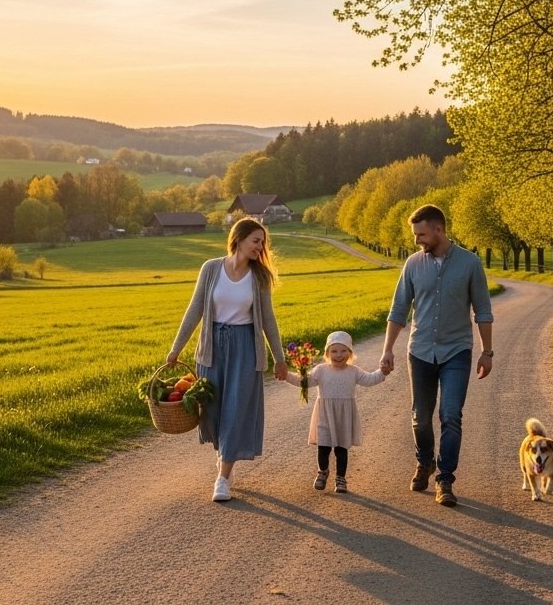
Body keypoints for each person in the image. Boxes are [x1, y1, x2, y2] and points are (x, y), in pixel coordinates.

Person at [379, 204, 493, 508]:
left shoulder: (470, 263)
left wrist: (487, 352)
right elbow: (399, 309)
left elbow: (483, 310)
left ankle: (445, 478)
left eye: (421, 234)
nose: (417, 240)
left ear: (439, 229)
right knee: (420, 418)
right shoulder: (413, 265)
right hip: (420, 352)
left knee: (451, 415)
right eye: (415, 234)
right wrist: (388, 349)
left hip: (457, 351)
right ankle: (425, 461)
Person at [167, 218, 288, 502]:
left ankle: (222, 477)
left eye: (262, 242)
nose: (261, 247)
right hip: (212, 347)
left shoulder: (259, 277)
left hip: (245, 348)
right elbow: (194, 310)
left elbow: (268, 320)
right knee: (214, 409)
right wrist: (176, 349)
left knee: (236, 408)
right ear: (239, 239)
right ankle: (225, 455)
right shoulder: (211, 269)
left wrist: (279, 358)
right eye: (256, 240)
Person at [284, 330, 390, 493]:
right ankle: (323, 472)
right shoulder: (320, 370)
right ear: (327, 353)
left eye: (343, 351)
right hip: (325, 415)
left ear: (350, 353)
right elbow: (303, 382)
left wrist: (382, 372)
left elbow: (369, 379)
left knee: (341, 449)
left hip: (343, 417)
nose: (339, 355)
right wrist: (286, 375)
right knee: (323, 447)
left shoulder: (353, 371)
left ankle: (341, 478)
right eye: (334, 351)